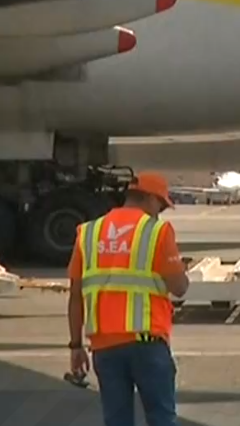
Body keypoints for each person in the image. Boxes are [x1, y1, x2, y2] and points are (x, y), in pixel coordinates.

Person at [68, 172, 190, 426]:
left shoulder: (88, 232)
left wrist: (76, 346)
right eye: (162, 205)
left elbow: (76, 295)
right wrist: (180, 271)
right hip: (147, 342)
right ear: (150, 199)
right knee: (161, 418)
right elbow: (179, 287)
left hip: (104, 347)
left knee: (116, 421)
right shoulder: (157, 231)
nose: (161, 212)